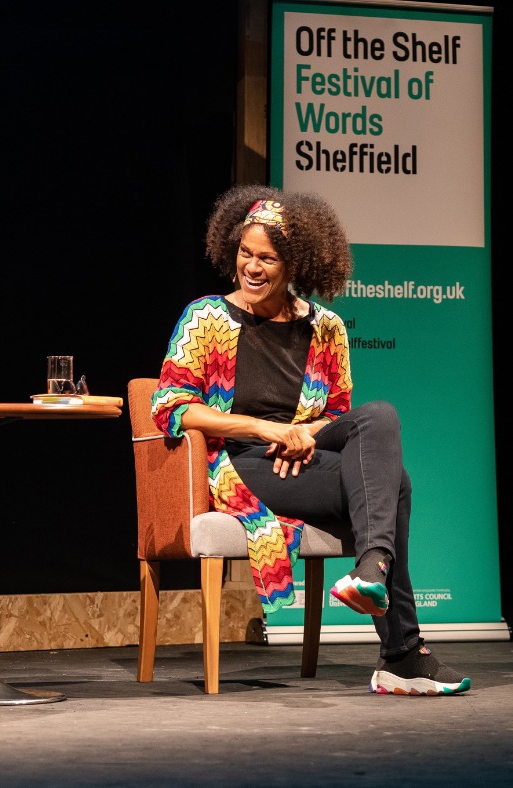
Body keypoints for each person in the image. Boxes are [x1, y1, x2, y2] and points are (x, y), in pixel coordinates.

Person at [151, 183, 471, 696]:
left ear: (294, 264)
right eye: (245, 254)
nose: (252, 268)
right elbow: (172, 408)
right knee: (399, 486)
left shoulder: (326, 327)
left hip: (306, 453)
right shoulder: (206, 317)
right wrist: (265, 428)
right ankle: (399, 647)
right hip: (245, 463)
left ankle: (377, 585)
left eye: (268, 259)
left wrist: (304, 433)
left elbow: (340, 414)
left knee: (379, 414)